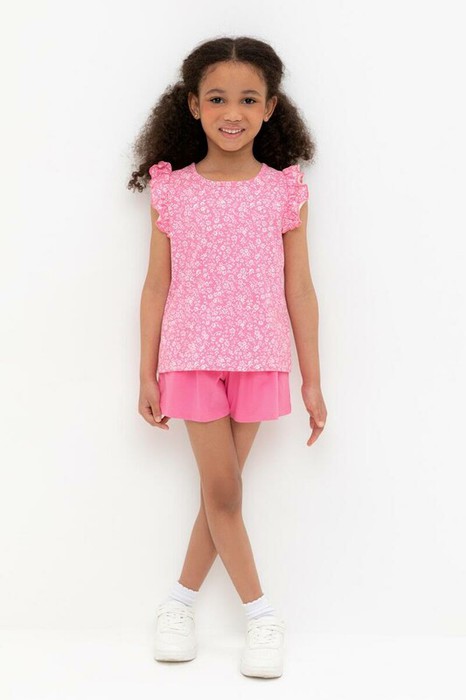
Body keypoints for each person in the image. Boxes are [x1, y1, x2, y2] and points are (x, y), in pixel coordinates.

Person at [128, 35, 327, 679]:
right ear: (193, 105)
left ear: (270, 108)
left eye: (247, 99)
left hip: (260, 356)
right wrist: (145, 371)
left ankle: (177, 603)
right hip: (189, 357)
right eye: (216, 98)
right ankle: (262, 616)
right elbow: (155, 286)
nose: (231, 112)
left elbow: (300, 288)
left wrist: (313, 380)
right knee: (223, 490)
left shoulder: (284, 191)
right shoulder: (173, 190)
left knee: (225, 493)